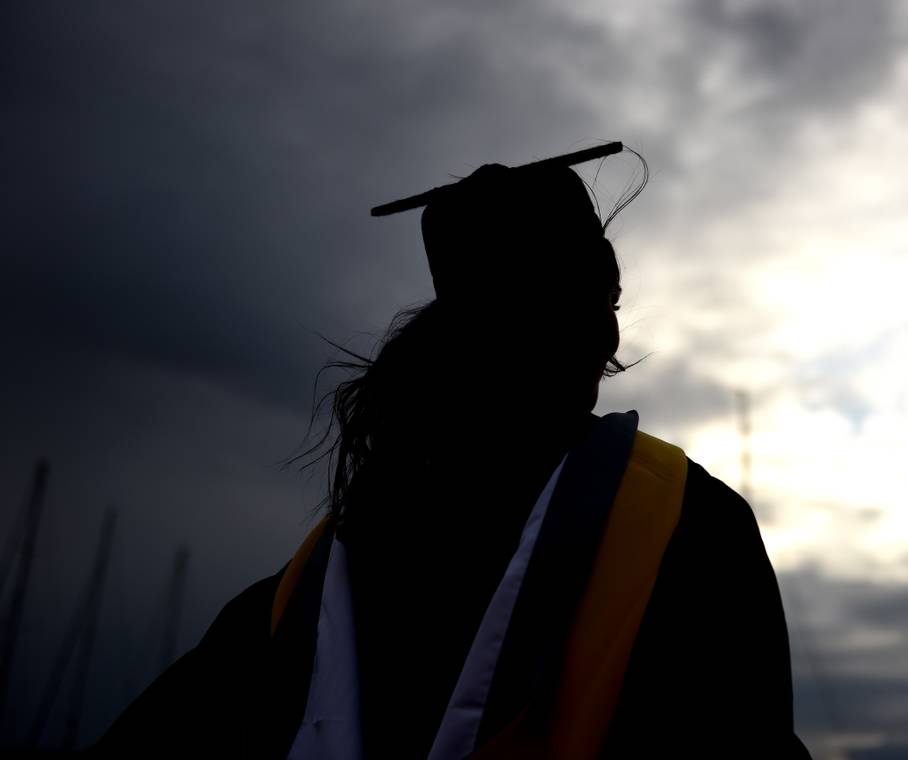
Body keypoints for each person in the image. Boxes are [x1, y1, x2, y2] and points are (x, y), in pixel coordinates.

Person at [95, 148, 811, 758]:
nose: (615, 332)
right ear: (589, 325)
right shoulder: (691, 527)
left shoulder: (309, 581)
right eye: (607, 300)